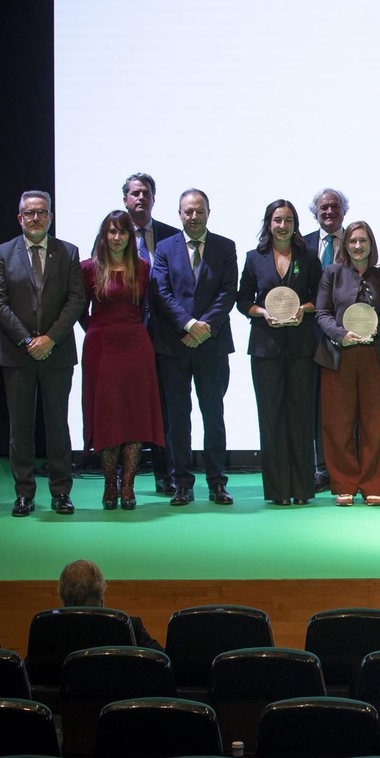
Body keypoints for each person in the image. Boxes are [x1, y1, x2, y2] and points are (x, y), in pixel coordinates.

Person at [0, 190, 86, 517]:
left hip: (57, 353)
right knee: (20, 429)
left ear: (50, 217)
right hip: (17, 355)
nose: (35, 218)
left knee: (58, 425)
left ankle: (61, 492)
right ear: (20, 218)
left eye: (42, 212)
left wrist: (50, 339)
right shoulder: (3, 253)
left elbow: (76, 300)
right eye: (29, 213)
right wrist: (27, 340)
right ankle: (24, 493)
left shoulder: (68, 252)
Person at [151, 188, 238, 507]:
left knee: (214, 415)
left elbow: (228, 293)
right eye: (188, 211)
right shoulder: (164, 248)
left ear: (208, 213)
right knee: (178, 418)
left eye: (199, 211)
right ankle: (182, 484)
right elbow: (161, 292)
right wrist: (188, 325)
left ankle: (217, 483)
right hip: (174, 345)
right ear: (179, 214)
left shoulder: (225, 246)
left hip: (212, 344)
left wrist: (204, 327)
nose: (194, 216)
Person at [78, 209, 166, 510]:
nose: (117, 237)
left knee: (135, 417)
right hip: (101, 349)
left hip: (135, 348)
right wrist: (97, 331)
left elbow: (141, 308)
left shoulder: (142, 267)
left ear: (130, 236)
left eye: (122, 232)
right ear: (104, 235)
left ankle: (128, 486)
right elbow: (81, 310)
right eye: (111, 231)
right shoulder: (88, 268)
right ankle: (109, 485)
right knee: (108, 417)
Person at [239, 199, 323, 505]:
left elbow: (320, 296)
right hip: (265, 347)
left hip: (302, 347)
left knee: (301, 416)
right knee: (271, 417)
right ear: (269, 223)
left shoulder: (308, 257)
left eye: (288, 220)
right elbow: (242, 300)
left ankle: (302, 490)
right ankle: (278, 492)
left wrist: (305, 309)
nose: (283, 226)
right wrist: (261, 312)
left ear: (295, 224)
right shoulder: (254, 258)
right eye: (277, 220)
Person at [317, 221, 380, 506]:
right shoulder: (332, 273)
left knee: (375, 423)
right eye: (352, 241)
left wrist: (376, 328)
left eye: (363, 241)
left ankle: (373, 484)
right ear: (345, 245)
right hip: (339, 356)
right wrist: (340, 334)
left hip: (374, 355)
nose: (358, 246)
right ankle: (344, 484)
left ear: (371, 244)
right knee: (338, 424)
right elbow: (322, 313)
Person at [123, 173, 181, 495]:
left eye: (146, 192)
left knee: (163, 408)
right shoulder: (112, 237)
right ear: (125, 200)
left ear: (154, 198)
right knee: (125, 405)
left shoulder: (171, 237)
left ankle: (165, 473)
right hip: (126, 337)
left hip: (163, 335)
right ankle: (122, 474)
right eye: (135, 193)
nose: (140, 198)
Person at [305, 187, 350, 491]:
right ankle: (321, 468)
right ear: (316, 213)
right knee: (315, 406)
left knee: (346, 408)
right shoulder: (303, 244)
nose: (329, 212)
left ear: (344, 210)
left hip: (351, 336)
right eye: (324, 208)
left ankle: (348, 466)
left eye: (335, 206)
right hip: (309, 338)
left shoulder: (357, 241)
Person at [57, 559, 161, 649]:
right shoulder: (129, 627)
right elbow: (163, 660)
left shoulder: (50, 631)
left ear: (62, 600)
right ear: (101, 599)